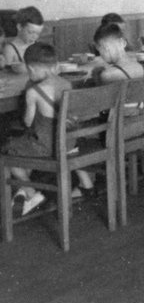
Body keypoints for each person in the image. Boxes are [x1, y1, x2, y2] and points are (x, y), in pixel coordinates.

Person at [1, 43, 94, 214]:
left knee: (5, 151)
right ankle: (26, 192)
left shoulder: (33, 92)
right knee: (19, 143)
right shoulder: (66, 83)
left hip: (46, 147)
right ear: (55, 65)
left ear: (31, 69)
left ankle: (31, 192)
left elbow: (28, 123)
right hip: (68, 142)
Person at [91, 24, 144, 139]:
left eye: (100, 51)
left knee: (77, 132)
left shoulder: (108, 75)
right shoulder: (139, 66)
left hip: (120, 130)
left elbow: (101, 104)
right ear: (123, 43)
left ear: (104, 48)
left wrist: (96, 77)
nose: (102, 55)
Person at [3, 6, 44, 71]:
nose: (35, 36)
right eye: (31, 32)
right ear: (19, 27)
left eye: (38, 33)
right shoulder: (10, 50)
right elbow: (5, 75)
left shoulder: (38, 47)